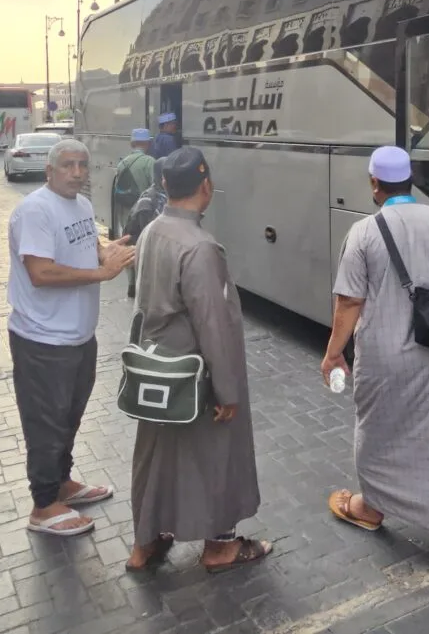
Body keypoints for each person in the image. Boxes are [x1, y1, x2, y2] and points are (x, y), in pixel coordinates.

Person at [321, 147, 429, 572]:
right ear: (410, 180)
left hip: (383, 357)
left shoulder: (363, 233)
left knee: (379, 433)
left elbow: (349, 302)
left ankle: (370, 507)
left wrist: (334, 353)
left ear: (374, 184)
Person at [126, 147, 270, 574]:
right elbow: (213, 324)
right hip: (194, 376)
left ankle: (146, 543)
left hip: (156, 370)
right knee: (217, 453)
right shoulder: (200, 247)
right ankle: (221, 547)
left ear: (165, 185)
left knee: (156, 456)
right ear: (206, 186)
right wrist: (226, 390)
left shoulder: (152, 230)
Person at [7, 138, 135, 537]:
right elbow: (40, 272)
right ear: (50, 170)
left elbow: (86, 243)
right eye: (67, 165)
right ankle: (44, 505)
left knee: (68, 417)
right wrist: (102, 273)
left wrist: (104, 251)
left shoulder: (81, 205)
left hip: (79, 336)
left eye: (82, 165)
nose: (77, 172)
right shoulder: (35, 210)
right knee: (46, 423)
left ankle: (61, 483)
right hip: (43, 340)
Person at [110, 129, 157, 235]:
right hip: (143, 213)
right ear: (148, 144)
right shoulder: (150, 161)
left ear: (132, 144)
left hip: (126, 212)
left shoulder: (122, 163)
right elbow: (156, 188)